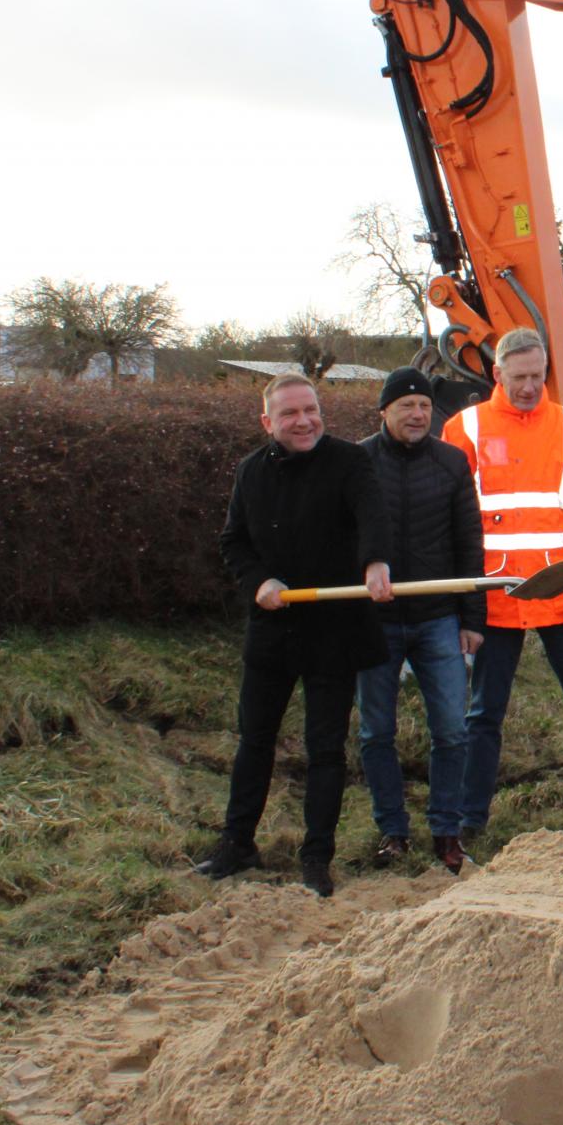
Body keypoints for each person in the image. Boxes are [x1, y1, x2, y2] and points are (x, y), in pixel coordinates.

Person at [205, 372, 391, 897]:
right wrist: (258, 582)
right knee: (254, 741)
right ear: (268, 422)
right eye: (290, 413)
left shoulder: (350, 461)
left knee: (325, 749)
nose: (304, 421)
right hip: (273, 631)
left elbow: (373, 515)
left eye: (311, 410)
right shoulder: (250, 472)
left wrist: (375, 562)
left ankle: (316, 857)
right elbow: (234, 542)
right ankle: (237, 843)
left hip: (335, 629)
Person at [441, 328, 563, 841]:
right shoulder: (464, 428)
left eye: (538, 376)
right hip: (495, 593)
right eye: (519, 377)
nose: (529, 387)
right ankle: (469, 820)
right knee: (484, 712)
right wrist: (459, 598)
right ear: (496, 374)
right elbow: (449, 519)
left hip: (562, 588)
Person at [357, 365, 486, 872]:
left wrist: (472, 619)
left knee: (452, 730)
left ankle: (446, 831)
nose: (417, 414)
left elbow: (469, 541)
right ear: (384, 410)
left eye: (425, 406)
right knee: (375, 731)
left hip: (439, 618)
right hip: (376, 622)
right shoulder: (359, 462)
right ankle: (393, 830)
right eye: (406, 405)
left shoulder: (452, 462)